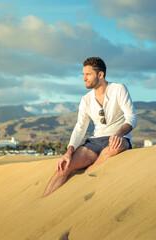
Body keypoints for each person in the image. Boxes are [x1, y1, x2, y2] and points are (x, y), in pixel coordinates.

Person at [42, 57, 137, 197]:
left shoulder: (118, 89)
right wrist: (69, 152)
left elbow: (132, 118)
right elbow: (80, 128)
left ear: (100, 74)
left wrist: (119, 134)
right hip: (95, 141)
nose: (84, 78)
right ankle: (43, 201)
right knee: (64, 166)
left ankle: (89, 172)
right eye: (83, 74)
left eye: (88, 74)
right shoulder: (86, 99)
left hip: (118, 138)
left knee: (114, 148)